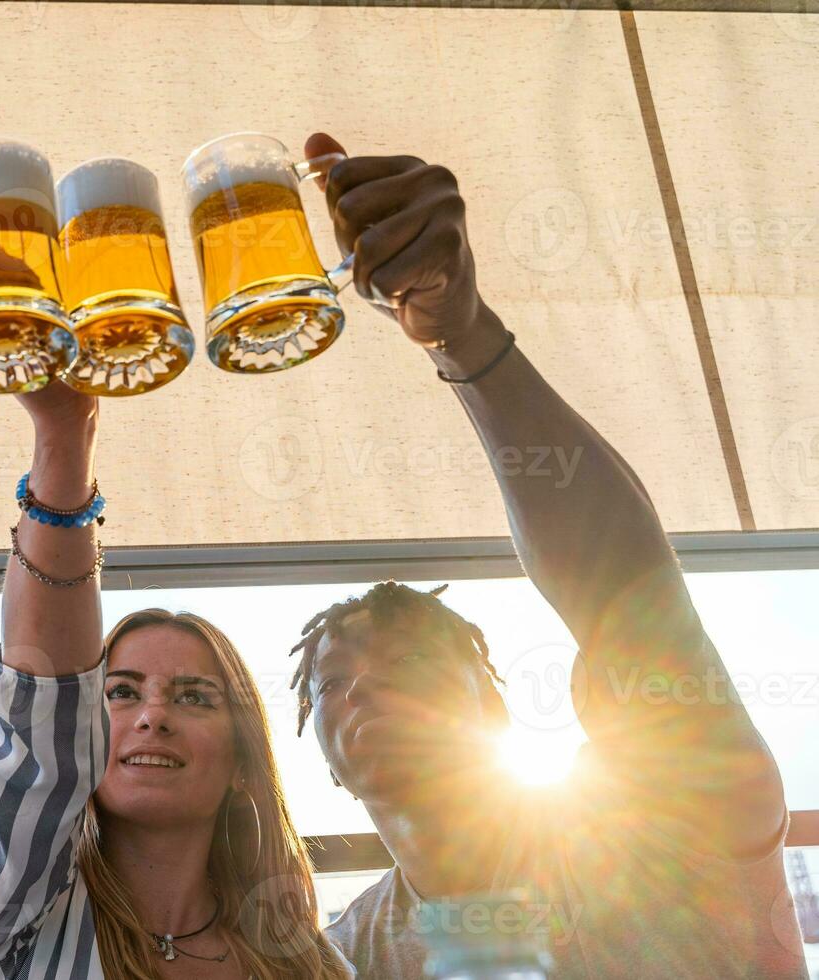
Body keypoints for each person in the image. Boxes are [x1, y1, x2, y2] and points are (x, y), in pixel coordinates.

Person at [288, 133, 805, 978]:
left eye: (411, 660)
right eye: (332, 684)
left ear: (493, 711)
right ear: (329, 767)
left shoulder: (651, 830)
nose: (365, 688)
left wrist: (466, 340)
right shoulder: (348, 955)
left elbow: (626, 593)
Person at [0, 382, 353, 980]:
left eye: (194, 696)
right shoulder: (20, 924)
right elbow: (46, 716)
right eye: (121, 691)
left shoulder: (318, 967)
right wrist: (67, 430)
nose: (153, 716)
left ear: (244, 760)